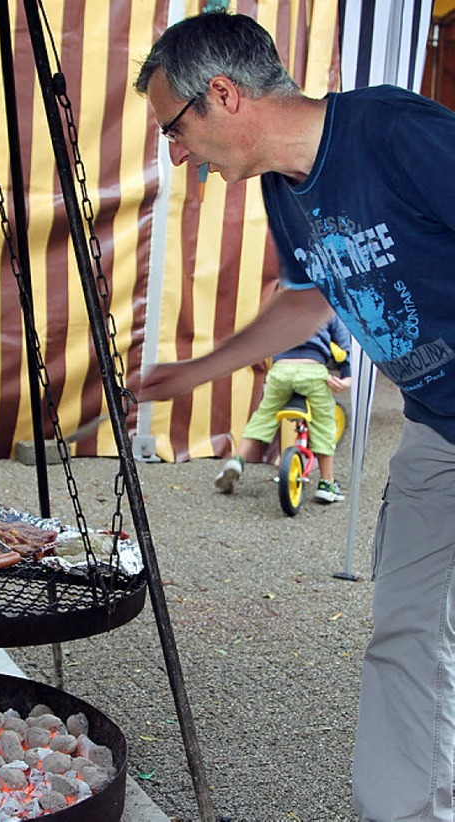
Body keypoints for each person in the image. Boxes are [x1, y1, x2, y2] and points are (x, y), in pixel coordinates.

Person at [134, 10, 455, 822]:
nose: (177, 153)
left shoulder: (387, 128)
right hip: (435, 428)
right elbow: (307, 300)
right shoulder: (285, 190)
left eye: (174, 128)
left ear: (222, 96)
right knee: (407, 632)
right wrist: (192, 374)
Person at [214, 314, 351, 502]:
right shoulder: (326, 309)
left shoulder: (285, 303)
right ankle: (327, 483)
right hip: (312, 371)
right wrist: (346, 377)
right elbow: (344, 348)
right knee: (324, 424)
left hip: (281, 371)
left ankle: (237, 461)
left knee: (264, 416)